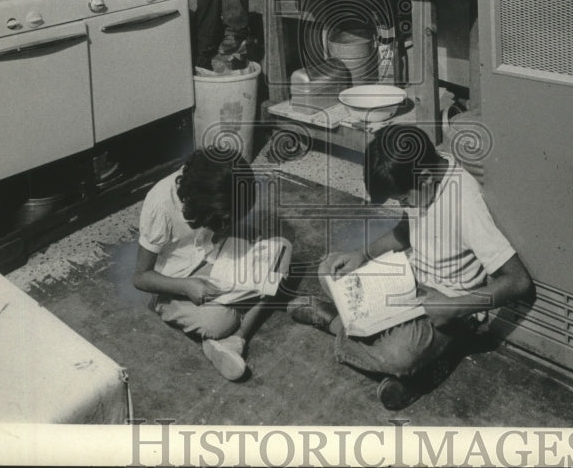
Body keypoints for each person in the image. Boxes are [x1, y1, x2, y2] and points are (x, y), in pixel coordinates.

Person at [287, 125, 534, 410]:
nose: (403, 205)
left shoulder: (465, 202)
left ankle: (335, 324)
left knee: (398, 355)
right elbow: (406, 230)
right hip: (408, 283)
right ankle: (414, 362)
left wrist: (455, 307)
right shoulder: (420, 172)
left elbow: (518, 281)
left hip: (448, 310)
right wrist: (362, 254)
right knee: (329, 271)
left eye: (403, 199)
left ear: (426, 179)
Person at [133, 149, 290, 381]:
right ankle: (236, 325)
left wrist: (238, 235)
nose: (228, 222)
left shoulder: (214, 187)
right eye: (226, 218)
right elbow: (140, 277)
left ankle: (235, 339)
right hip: (179, 281)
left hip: (215, 255)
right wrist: (186, 287)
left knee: (282, 248)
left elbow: (220, 228)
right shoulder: (160, 205)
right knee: (218, 321)